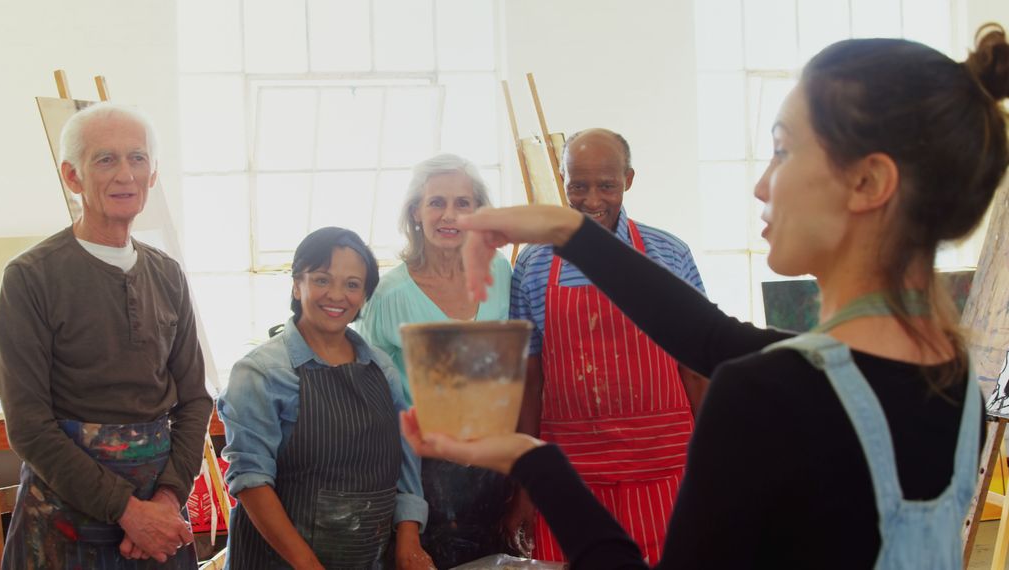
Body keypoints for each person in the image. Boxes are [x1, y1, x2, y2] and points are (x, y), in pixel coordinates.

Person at [403, 25, 1009, 569]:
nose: (761, 183)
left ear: (869, 182)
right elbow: (711, 335)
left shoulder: (765, 397)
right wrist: (565, 229)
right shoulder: (955, 391)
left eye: (782, 149)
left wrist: (535, 464)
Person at [0, 103, 211, 568]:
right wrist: (128, 512)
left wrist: (168, 502)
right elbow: (29, 426)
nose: (125, 175)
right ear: (72, 177)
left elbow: (195, 399)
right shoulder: (30, 277)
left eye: (137, 158)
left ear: (153, 174)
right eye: (105, 159)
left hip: (159, 517)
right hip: (66, 519)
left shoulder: (168, 274)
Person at [507, 128, 706, 563]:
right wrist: (526, 484)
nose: (592, 199)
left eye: (606, 185)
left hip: (667, 472)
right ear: (563, 182)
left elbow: (696, 368)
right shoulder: (534, 264)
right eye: (578, 185)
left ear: (629, 180)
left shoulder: (669, 255)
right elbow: (530, 379)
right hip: (569, 479)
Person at [218, 227, 433, 570]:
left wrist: (408, 540)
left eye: (352, 284)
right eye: (321, 279)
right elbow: (251, 483)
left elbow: (407, 464)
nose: (336, 295)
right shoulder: (260, 373)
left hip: (366, 557)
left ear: (364, 295)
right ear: (296, 284)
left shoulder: (382, 369)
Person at [359, 154, 513, 568]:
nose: (450, 215)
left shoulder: (500, 274)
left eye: (463, 203)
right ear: (416, 212)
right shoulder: (390, 294)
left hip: (493, 468)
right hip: (421, 475)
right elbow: (374, 400)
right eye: (436, 203)